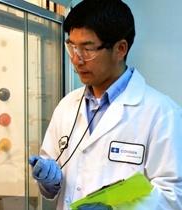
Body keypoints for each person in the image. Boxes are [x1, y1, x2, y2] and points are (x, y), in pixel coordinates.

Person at [29, 0, 182, 209]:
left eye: (87, 49)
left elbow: (174, 196)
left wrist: (116, 207)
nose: (76, 59)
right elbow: (56, 186)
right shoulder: (67, 106)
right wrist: (49, 182)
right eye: (72, 47)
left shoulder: (162, 113)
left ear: (120, 49)